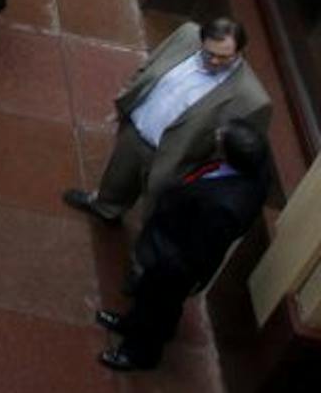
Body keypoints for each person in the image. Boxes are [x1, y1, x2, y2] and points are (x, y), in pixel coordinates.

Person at [63, 16, 273, 224]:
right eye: (209, 54)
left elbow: (236, 149)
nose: (215, 61)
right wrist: (127, 97)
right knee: (118, 178)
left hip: (177, 161)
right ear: (201, 41)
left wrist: (196, 174)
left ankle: (145, 251)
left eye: (225, 57)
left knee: (158, 214)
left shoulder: (253, 99)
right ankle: (106, 207)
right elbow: (151, 66)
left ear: (241, 51)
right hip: (136, 131)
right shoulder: (186, 34)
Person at [96, 120, 269, 371]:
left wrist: (166, 261)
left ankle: (140, 354)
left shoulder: (225, 207)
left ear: (229, 155)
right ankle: (132, 323)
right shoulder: (251, 171)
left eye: (222, 137)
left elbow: (201, 248)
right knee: (149, 298)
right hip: (171, 247)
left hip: (174, 262)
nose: (216, 134)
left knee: (157, 305)